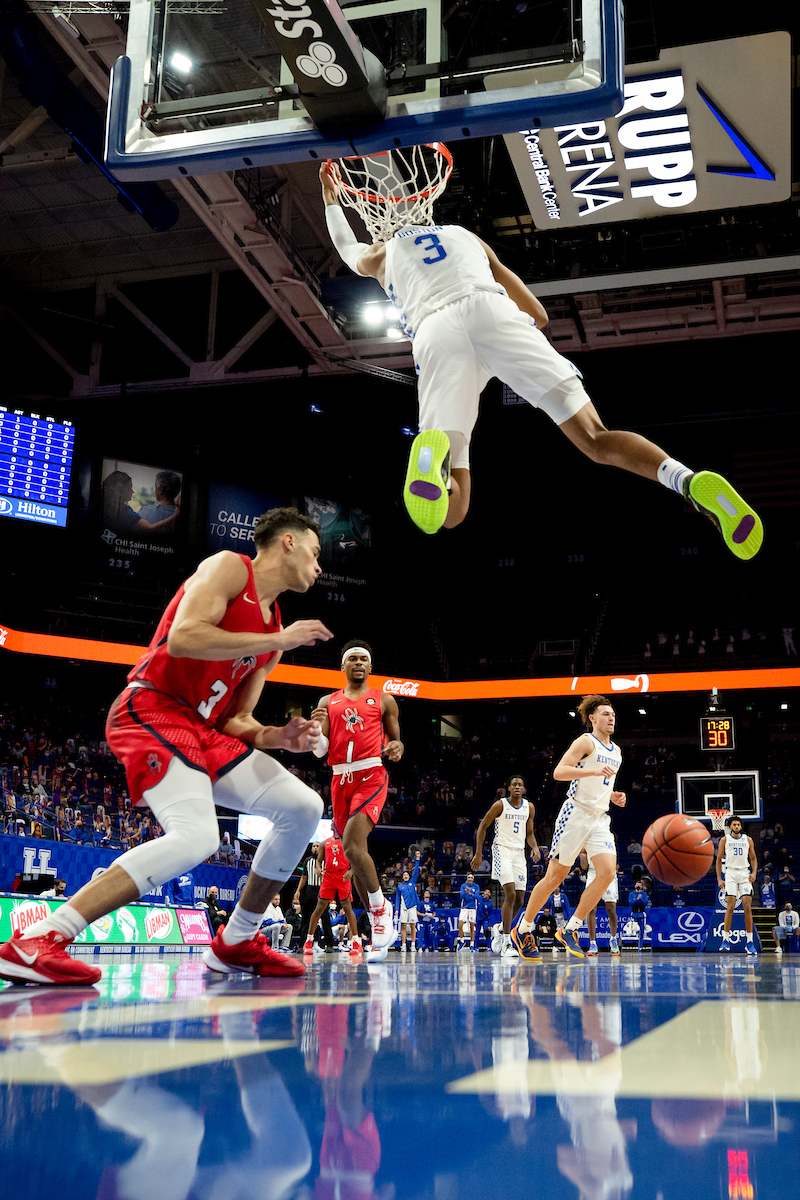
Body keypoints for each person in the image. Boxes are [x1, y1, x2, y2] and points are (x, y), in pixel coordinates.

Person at [319, 161, 762, 559]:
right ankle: (684, 481)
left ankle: (432, 461)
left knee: (446, 498)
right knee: (594, 438)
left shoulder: (379, 254)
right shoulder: (464, 237)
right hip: (493, 311)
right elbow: (538, 315)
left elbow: (344, 246)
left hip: (435, 330)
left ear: (381, 224)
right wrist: (501, 351)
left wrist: (331, 202)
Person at [0, 507, 332, 987]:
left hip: (204, 732)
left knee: (303, 806)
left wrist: (280, 737)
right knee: (197, 836)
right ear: (287, 542)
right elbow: (182, 638)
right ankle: (38, 940)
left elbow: (237, 719)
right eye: (315, 552)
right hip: (154, 707)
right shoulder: (229, 567)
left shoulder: (274, 632)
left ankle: (236, 941)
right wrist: (277, 637)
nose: (320, 566)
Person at [310, 641, 404, 962]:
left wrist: (396, 748)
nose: (359, 662)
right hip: (339, 779)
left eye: (364, 658)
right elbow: (320, 749)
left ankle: (380, 911)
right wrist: (313, 733)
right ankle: (380, 932)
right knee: (354, 857)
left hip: (371, 775)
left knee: (351, 845)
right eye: (353, 658)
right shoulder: (328, 701)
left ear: (370, 666)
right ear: (343, 666)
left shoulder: (384, 699)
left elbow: (396, 740)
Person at [512, 695, 625, 961]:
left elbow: (601, 784)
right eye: (606, 714)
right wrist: (592, 771)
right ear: (593, 718)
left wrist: (613, 795)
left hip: (599, 818)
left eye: (613, 715)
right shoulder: (586, 742)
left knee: (607, 873)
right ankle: (524, 928)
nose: (611, 718)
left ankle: (570, 929)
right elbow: (559, 772)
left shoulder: (617, 751)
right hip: (575, 814)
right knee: (554, 878)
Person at [471, 773, 540, 959]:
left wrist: (534, 847)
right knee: (509, 894)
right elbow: (483, 826)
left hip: (519, 853)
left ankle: (500, 929)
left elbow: (530, 833)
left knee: (519, 900)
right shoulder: (500, 805)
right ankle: (506, 942)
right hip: (501, 851)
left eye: (520, 784)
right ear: (508, 788)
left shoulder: (529, 807)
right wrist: (478, 853)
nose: (517, 787)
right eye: (514, 784)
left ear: (524, 789)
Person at [304, 835, 362, 958]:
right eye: (334, 820)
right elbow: (319, 862)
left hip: (342, 876)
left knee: (347, 908)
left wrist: (351, 872)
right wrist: (319, 869)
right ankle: (308, 941)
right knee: (319, 908)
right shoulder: (325, 843)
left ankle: (357, 942)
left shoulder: (348, 840)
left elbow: (355, 860)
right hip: (329, 877)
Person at [716, 817, 758, 955]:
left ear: (741, 826)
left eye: (738, 824)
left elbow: (753, 858)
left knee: (747, 906)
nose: (736, 826)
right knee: (730, 907)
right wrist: (719, 878)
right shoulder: (725, 840)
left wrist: (754, 872)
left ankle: (750, 942)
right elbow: (718, 860)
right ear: (730, 826)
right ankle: (725, 940)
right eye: (734, 824)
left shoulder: (748, 839)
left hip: (744, 874)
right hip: (731, 874)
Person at [580, 847, 620, 956]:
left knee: (611, 908)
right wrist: (582, 856)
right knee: (591, 909)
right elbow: (584, 866)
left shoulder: (607, 838)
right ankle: (592, 943)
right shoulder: (587, 841)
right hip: (593, 873)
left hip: (607, 871)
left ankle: (613, 939)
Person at [395, 850, 421, 952]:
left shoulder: (413, 882)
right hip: (403, 907)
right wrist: (397, 909)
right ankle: (404, 944)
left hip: (412, 907)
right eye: (404, 875)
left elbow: (416, 872)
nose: (405, 876)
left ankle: (413, 944)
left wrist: (417, 859)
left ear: (409, 876)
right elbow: (397, 898)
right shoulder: (400, 886)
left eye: (407, 875)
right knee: (404, 925)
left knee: (413, 925)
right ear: (402, 877)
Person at [456, 873, 480, 951]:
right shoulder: (463, 886)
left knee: (472, 926)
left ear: (473, 879)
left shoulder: (476, 886)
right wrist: (466, 892)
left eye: (471, 878)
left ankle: (472, 944)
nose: (470, 879)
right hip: (464, 907)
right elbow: (461, 896)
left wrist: (470, 893)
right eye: (468, 878)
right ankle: (462, 941)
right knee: (460, 924)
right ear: (467, 879)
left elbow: (477, 896)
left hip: (472, 907)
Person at [627, 881, 649, 950]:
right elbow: (631, 903)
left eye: (640, 885)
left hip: (642, 914)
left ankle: (640, 946)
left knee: (641, 931)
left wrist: (641, 899)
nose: (638, 886)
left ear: (642, 887)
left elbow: (645, 903)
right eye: (637, 885)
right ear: (635, 886)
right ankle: (633, 946)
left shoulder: (644, 894)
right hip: (634, 914)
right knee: (633, 930)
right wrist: (637, 900)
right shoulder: (631, 894)